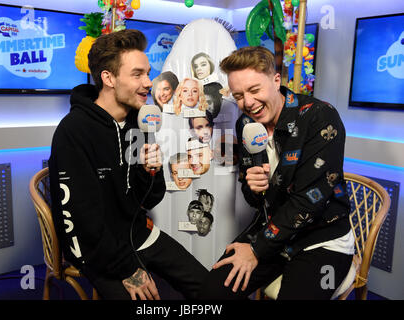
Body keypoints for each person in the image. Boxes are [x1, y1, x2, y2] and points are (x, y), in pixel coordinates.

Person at [48, 29, 208, 300]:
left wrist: (150, 172)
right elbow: (82, 221)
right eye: (137, 74)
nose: (149, 83)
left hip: (138, 233)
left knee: (214, 290)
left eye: (148, 72)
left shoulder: (140, 120)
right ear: (108, 78)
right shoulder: (73, 131)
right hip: (97, 249)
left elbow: (151, 198)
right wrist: (127, 269)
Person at [199, 46, 354, 300]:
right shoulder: (246, 123)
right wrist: (253, 187)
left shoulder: (320, 117)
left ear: (276, 80)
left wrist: (256, 250)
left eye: (254, 90)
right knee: (211, 292)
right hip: (271, 232)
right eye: (238, 95)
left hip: (321, 239)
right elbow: (254, 201)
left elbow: (308, 202)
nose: (247, 103)